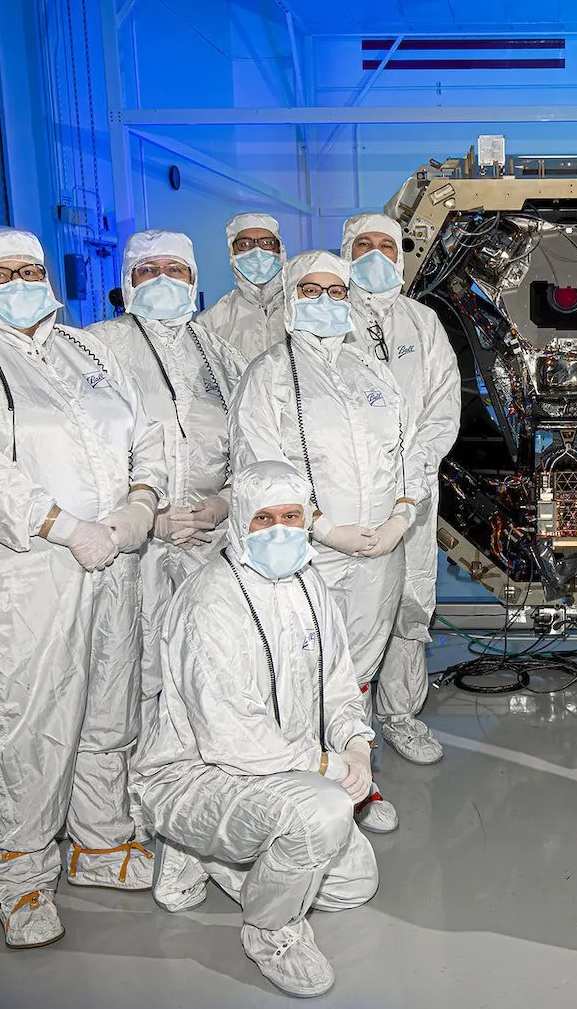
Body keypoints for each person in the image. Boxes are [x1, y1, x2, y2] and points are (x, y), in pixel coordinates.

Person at [0, 227, 166, 948]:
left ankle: (101, 844)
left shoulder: (86, 351)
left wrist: (141, 503)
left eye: (28, 269)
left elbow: (144, 434)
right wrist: (60, 524)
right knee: (27, 725)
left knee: (108, 708)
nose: (18, 283)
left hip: (113, 558)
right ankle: (24, 878)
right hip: (22, 575)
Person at [134, 460, 377, 998]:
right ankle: (271, 931)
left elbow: (339, 685)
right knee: (321, 816)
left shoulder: (310, 585)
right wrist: (327, 766)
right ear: (240, 519)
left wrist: (357, 747)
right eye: (264, 519)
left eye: (292, 517)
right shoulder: (210, 600)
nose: (280, 531)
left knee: (356, 884)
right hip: (200, 774)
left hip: (281, 769)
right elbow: (232, 735)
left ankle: (207, 854)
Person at [234, 250, 423, 836]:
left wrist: (401, 516)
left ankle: (357, 779)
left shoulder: (371, 371)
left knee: (359, 665)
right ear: (291, 300)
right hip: (308, 553)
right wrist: (321, 527)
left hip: (380, 549)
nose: (325, 302)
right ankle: (306, 784)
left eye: (336, 291)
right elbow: (256, 467)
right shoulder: (268, 374)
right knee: (305, 667)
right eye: (311, 291)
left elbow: (408, 451)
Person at [86, 229, 247, 753]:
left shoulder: (219, 354)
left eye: (175, 270)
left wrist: (224, 503)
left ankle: (196, 770)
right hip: (133, 544)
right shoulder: (93, 348)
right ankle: (137, 777)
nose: (162, 280)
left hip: (209, 539)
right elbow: (85, 451)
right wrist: (146, 516)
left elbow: (251, 443)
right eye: (148, 270)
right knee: (132, 665)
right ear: (128, 281)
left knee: (209, 658)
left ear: (194, 279)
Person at [341, 212, 460, 766]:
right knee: (351, 609)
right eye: (362, 245)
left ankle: (401, 715)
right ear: (345, 252)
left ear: (401, 255)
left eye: (385, 246)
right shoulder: (329, 320)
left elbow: (444, 403)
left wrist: (414, 469)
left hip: (414, 491)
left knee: (411, 602)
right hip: (349, 492)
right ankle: (347, 727)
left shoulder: (422, 323)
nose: (374, 255)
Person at [198, 211, 288, 365]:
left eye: (267, 243)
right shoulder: (211, 320)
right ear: (232, 252)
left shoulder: (303, 307)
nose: (257, 252)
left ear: (280, 249)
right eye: (245, 244)